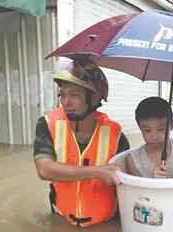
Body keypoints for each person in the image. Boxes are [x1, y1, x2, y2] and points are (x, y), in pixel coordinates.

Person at [33, 59, 130, 227]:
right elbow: (44, 170)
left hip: (105, 223)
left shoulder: (116, 135)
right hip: (61, 219)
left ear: (94, 98)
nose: (66, 102)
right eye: (62, 94)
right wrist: (96, 172)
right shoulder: (47, 124)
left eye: (74, 95)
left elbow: (128, 182)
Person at [125, 96, 173, 178]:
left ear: (172, 125)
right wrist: (154, 181)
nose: (154, 137)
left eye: (161, 129)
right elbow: (136, 189)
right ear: (140, 128)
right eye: (147, 130)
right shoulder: (133, 160)